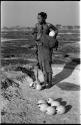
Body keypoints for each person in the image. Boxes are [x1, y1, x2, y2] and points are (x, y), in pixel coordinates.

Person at [32, 12, 58, 88]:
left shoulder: (49, 25)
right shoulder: (36, 25)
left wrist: (53, 36)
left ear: (44, 18)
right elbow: (33, 33)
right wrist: (36, 38)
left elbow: (56, 30)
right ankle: (45, 80)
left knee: (47, 64)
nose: (38, 19)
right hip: (39, 48)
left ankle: (49, 83)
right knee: (41, 64)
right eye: (37, 18)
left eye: (39, 18)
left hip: (47, 48)